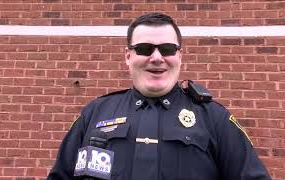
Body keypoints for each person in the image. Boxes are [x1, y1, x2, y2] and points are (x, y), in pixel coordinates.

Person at [47, 12, 271, 180]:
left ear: (179, 56)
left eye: (167, 49)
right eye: (144, 48)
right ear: (128, 56)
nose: (156, 58)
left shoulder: (214, 118)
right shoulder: (95, 113)